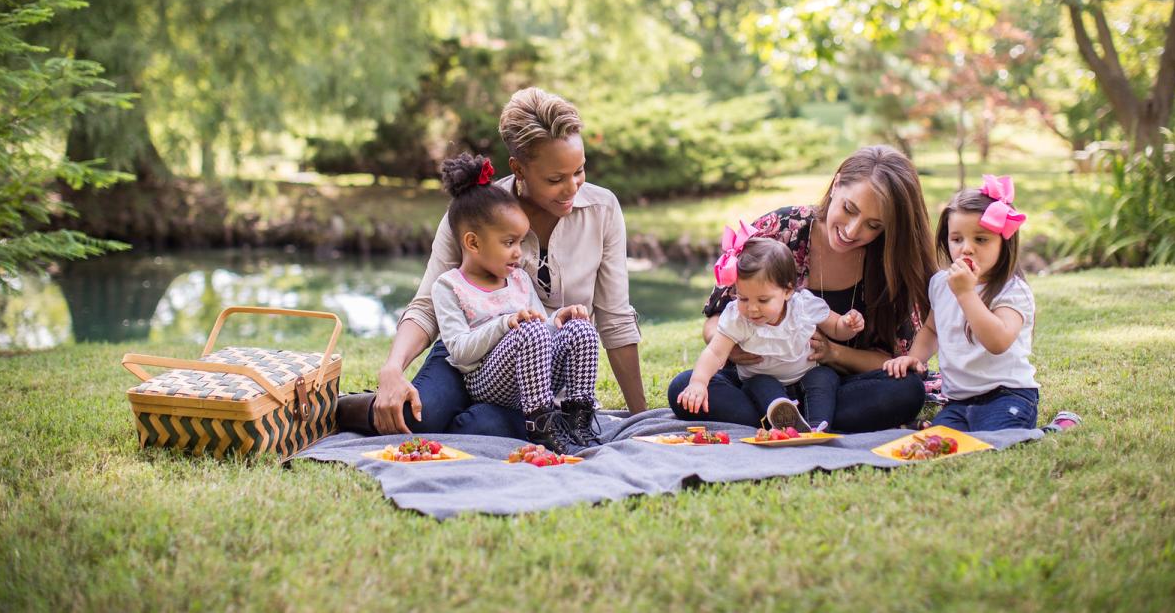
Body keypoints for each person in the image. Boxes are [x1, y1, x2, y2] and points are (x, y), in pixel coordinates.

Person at [338, 87, 645, 438]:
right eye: (555, 179)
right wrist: (392, 369)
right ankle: (346, 407)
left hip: (541, 372)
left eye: (579, 171)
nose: (572, 187)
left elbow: (615, 319)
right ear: (519, 169)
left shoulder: (603, 211)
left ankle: (481, 419)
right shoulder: (477, 212)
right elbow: (426, 307)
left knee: (487, 425)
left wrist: (641, 420)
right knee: (418, 418)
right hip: (470, 354)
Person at [667, 145, 938, 432]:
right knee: (683, 388)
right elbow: (715, 322)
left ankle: (795, 421)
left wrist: (834, 354)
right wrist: (730, 350)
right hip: (760, 381)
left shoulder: (891, 263)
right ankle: (801, 420)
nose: (852, 231)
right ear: (836, 184)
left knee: (906, 390)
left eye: (873, 225)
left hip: (836, 384)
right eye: (849, 209)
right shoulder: (782, 230)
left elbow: (894, 362)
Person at [431, 152, 600, 453]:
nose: (518, 253)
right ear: (473, 243)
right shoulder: (449, 286)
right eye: (509, 243)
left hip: (535, 374)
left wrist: (559, 318)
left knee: (580, 329)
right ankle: (540, 426)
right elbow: (458, 351)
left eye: (521, 242)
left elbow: (541, 326)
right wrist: (505, 324)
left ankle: (578, 419)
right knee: (528, 330)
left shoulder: (519, 279)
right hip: (487, 380)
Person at [883, 175, 1039, 431]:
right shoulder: (941, 283)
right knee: (938, 442)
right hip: (957, 401)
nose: (966, 249)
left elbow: (998, 342)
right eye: (957, 239)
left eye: (981, 239)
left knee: (994, 441)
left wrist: (967, 294)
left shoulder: (1012, 291)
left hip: (1008, 395)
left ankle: (1053, 428)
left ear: (1005, 242)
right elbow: (932, 329)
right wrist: (914, 358)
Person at [676, 235, 864, 431]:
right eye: (743, 298)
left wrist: (847, 325)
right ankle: (784, 418)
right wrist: (698, 382)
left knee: (823, 377)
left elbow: (836, 328)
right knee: (760, 383)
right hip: (762, 383)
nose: (752, 309)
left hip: (806, 376)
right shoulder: (737, 319)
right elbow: (715, 353)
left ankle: (817, 426)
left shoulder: (803, 306)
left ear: (788, 291)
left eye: (763, 300)